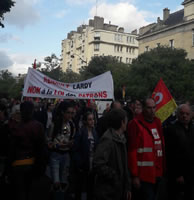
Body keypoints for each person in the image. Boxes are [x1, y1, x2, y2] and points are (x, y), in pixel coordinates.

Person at [8, 101, 47, 200]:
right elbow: (41, 148)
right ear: (32, 111)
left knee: (19, 193)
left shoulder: (15, 127)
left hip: (17, 164)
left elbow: (11, 148)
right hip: (31, 163)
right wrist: (41, 167)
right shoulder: (37, 126)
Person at [127, 98, 165, 200]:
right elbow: (132, 151)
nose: (152, 110)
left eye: (154, 107)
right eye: (149, 108)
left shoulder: (157, 122)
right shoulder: (135, 124)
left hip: (158, 173)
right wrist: (134, 175)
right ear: (143, 108)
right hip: (143, 175)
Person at [93, 108, 131, 200]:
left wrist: (127, 187)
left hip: (118, 190)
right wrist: (114, 176)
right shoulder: (108, 139)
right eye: (126, 121)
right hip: (108, 192)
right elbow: (98, 164)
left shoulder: (121, 138)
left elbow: (124, 166)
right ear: (122, 122)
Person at [164, 104, 194, 200]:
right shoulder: (171, 130)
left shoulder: (193, 129)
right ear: (177, 115)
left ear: (191, 115)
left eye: (187, 114)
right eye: (182, 113)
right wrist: (177, 174)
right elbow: (170, 154)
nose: (184, 116)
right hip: (177, 175)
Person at [48, 101, 75, 191]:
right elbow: (49, 141)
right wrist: (57, 145)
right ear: (63, 112)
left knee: (64, 183)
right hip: (55, 155)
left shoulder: (71, 124)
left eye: (72, 113)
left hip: (66, 155)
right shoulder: (54, 124)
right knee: (56, 183)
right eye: (68, 113)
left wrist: (70, 143)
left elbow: (71, 137)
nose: (70, 115)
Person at [72, 111, 98, 200]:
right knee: (79, 186)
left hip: (92, 163)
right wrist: (79, 163)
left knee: (90, 186)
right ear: (85, 121)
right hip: (83, 163)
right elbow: (75, 149)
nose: (92, 121)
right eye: (90, 119)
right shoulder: (81, 132)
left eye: (93, 119)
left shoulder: (95, 132)